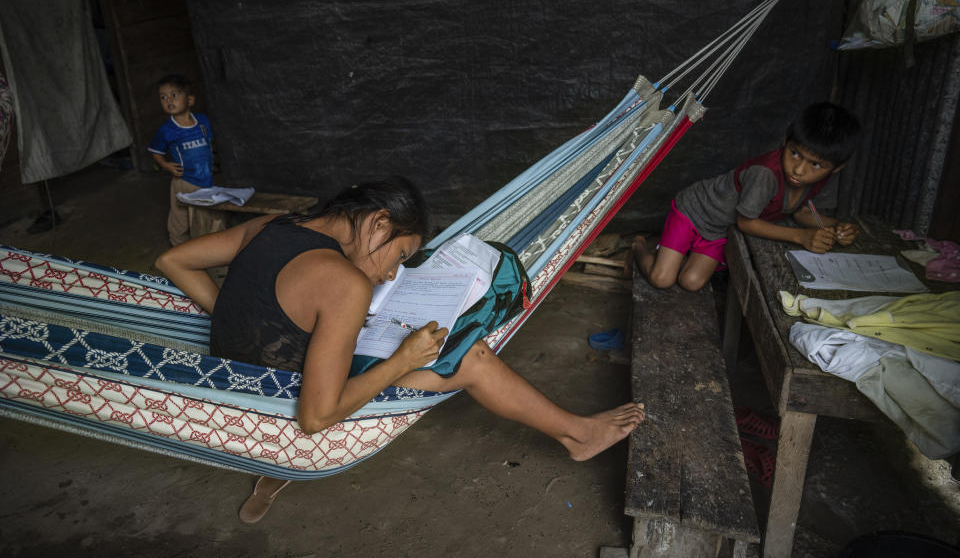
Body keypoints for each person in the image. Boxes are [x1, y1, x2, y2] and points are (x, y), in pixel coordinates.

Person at [155, 176, 645, 523]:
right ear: (378, 223)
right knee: (468, 356)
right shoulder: (343, 284)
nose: (392, 273)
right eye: (400, 255)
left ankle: (576, 434)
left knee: (432, 345)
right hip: (284, 402)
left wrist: (237, 314)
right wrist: (400, 362)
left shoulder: (271, 225)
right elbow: (315, 417)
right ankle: (578, 435)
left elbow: (172, 260)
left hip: (234, 378)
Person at [631, 102, 862, 292]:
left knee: (691, 282)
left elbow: (800, 211)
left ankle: (673, 252)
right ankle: (639, 246)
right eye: (794, 153)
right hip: (694, 211)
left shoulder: (813, 180)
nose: (799, 170)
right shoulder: (765, 174)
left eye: (815, 164)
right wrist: (802, 237)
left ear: (837, 168)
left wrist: (837, 226)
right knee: (661, 279)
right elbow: (746, 222)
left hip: (720, 230)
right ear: (785, 142)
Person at [147, 74, 215, 246]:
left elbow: (209, 143)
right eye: (163, 97)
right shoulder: (167, 130)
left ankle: (204, 248)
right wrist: (164, 165)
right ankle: (178, 246)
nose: (168, 100)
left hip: (206, 179)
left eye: (174, 95)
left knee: (205, 216)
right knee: (180, 218)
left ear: (190, 100)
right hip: (183, 180)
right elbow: (155, 151)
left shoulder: (203, 121)